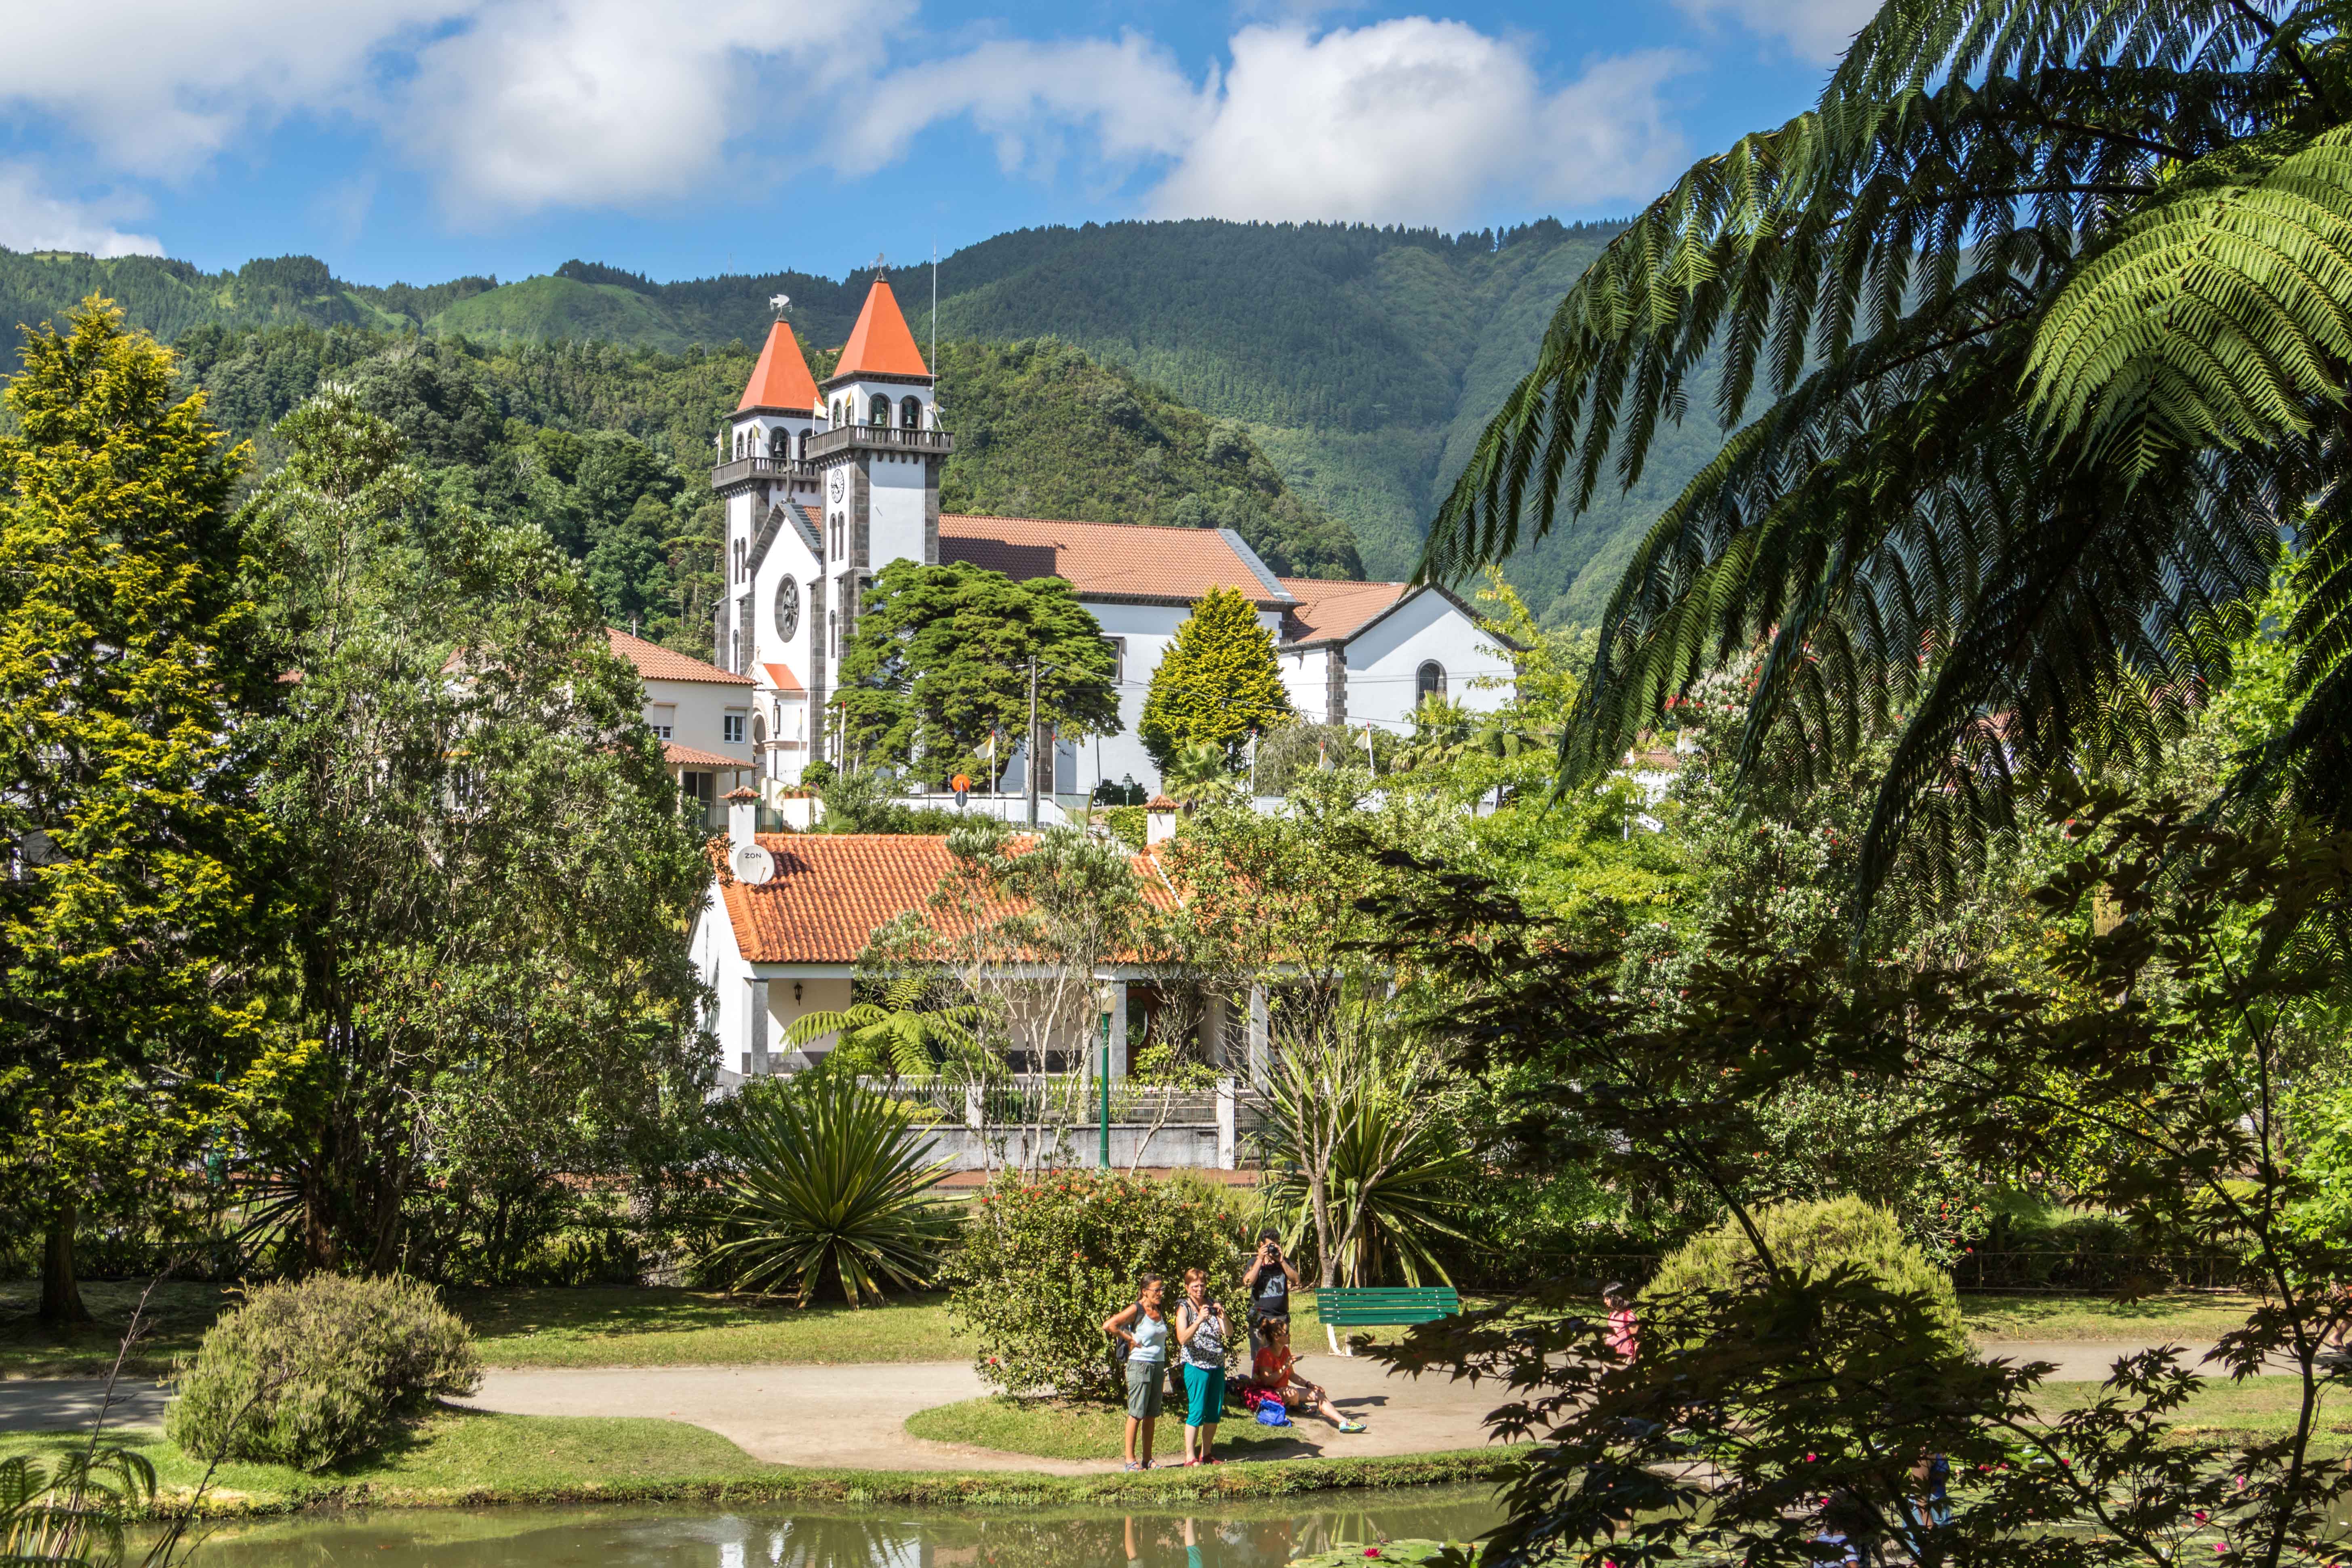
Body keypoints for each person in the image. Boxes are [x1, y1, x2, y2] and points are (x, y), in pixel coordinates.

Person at [1247, 1315, 1366, 1432]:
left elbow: (1292, 1375)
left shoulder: (1285, 1351)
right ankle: (1296, 1405)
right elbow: (1266, 1381)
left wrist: (1309, 1385)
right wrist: (1285, 1367)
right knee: (1293, 1393)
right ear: (1276, 1337)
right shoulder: (1265, 1354)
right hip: (1268, 1394)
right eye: (1286, 1333)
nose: (1290, 1336)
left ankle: (1343, 1422)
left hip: (1284, 1392)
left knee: (1318, 1395)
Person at [1102, 1273, 1170, 1470]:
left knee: (1151, 1414)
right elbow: (1109, 1325)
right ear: (1145, 1292)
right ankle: (1130, 1461)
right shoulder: (1136, 1309)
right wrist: (1129, 1339)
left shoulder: (1158, 1308)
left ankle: (1148, 1460)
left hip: (1158, 1365)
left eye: (1161, 1289)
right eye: (1156, 1290)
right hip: (1140, 1365)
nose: (1160, 1294)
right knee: (1136, 1413)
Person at [1173, 1267, 1230, 1464]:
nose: (1200, 1290)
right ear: (1188, 1287)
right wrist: (1199, 1320)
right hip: (1196, 1366)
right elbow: (1182, 1339)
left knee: (1214, 1412)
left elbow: (1229, 1333)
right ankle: (1190, 1457)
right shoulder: (1184, 1308)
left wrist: (1223, 1316)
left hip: (1216, 1366)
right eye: (1195, 1286)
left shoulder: (1212, 1303)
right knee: (1196, 1411)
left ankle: (1207, 1454)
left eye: (1203, 1285)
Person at [1243, 1227, 1298, 1334]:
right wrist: (1260, 1259)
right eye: (1269, 1246)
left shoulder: (1284, 1262)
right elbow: (1248, 1282)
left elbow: (1296, 1281)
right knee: (1258, 1351)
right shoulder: (1253, 1262)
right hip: (1259, 1318)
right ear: (1262, 1245)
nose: (1273, 1249)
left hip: (1281, 1318)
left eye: (1276, 1245)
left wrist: (1282, 1261)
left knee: (1281, 1351)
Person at [1603, 1282, 1638, 1363]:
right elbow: (1610, 1337)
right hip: (1611, 1359)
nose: (1605, 1301)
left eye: (1607, 1299)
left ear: (1617, 1298)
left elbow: (1637, 1341)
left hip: (1625, 1360)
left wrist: (1635, 1362)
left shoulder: (1629, 1316)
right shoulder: (1612, 1315)